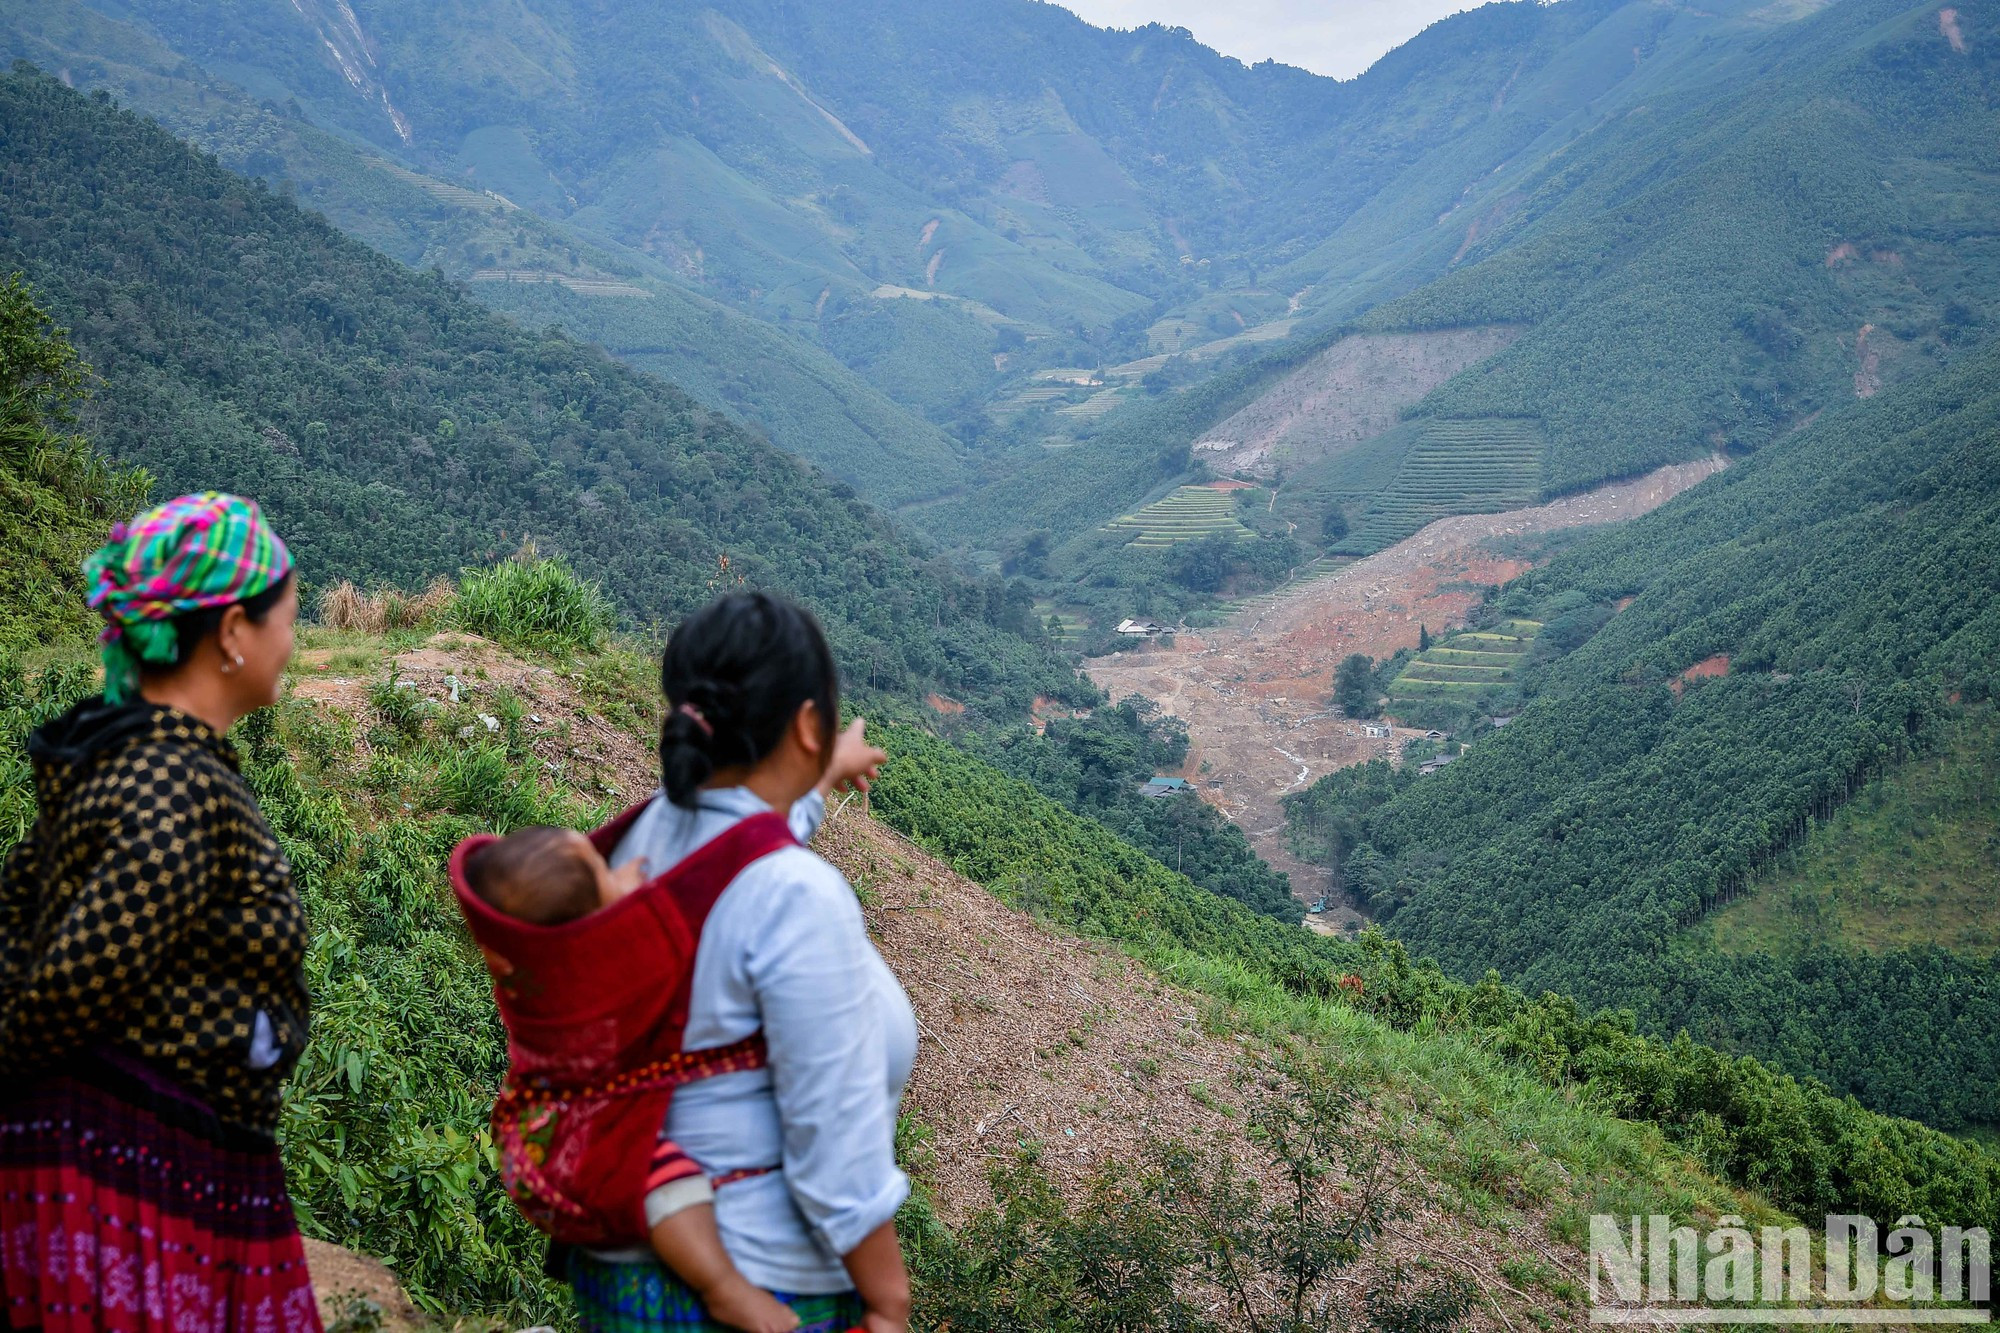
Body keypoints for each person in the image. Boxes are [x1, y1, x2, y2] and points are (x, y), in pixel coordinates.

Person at [0, 493, 319, 1333]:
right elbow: (75, 976)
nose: (293, 638)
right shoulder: (172, 782)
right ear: (233, 634)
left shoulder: (130, 760)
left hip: (148, 1168)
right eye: (288, 615)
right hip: (130, 1179)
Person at [563, 592, 914, 1333]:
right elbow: (834, 1141)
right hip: (757, 1286)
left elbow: (750, 831)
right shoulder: (797, 895)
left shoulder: (641, 838)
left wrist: (820, 776)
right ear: (807, 724)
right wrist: (889, 1301)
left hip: (624, 1274)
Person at [459, 826, 795, 1333]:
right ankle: (723, 1287)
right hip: (559, 1149)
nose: (626, 871)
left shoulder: (531, 974)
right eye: (604, 870)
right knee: (665, 1182)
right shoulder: (596, 986)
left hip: (530, 1131)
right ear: (587, 932)